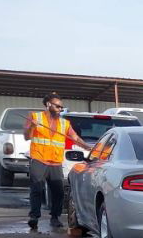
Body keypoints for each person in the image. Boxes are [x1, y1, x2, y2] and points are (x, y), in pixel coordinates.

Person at [22, 93, 92, 229]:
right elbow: (26, 136)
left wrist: (88, 147)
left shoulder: (64, 123)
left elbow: (75, 138)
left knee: (58, 192)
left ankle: (55, 217)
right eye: (58, 106)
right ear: (48, 104)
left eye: (61, 107)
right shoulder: (35, 117)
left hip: (55, 162)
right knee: (36, 188)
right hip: (39, 159)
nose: (60, 109)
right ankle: (34, 217)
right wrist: (32, 127)